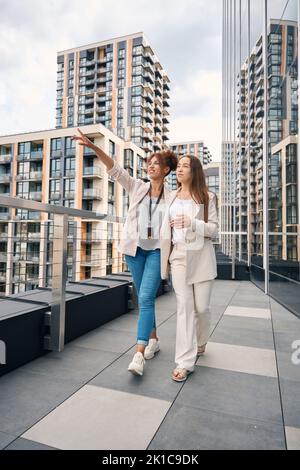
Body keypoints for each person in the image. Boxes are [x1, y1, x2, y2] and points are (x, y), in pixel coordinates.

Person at [72, 129, 177, 376]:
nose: (150, 166)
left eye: (156, 164)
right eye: (149, 163)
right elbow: (114, 167)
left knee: (147, 298)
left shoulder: (172, 197)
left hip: (155, 253)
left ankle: (138, 353)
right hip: (134, 251)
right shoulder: (137, 187)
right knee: (143, 297)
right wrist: (92, 146)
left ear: (166, 170)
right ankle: (154, 339)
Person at [159, 155, 219, 382]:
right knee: (184, 308)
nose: (180, 169)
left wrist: (191, 222)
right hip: (179, 256)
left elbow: (213, 230)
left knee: (201, 308)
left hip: (201, 256)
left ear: (194, 171)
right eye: (179, 166)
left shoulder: (207, 196)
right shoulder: (170, 196)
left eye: (185, 166)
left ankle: (201, 341)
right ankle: (184, 362)